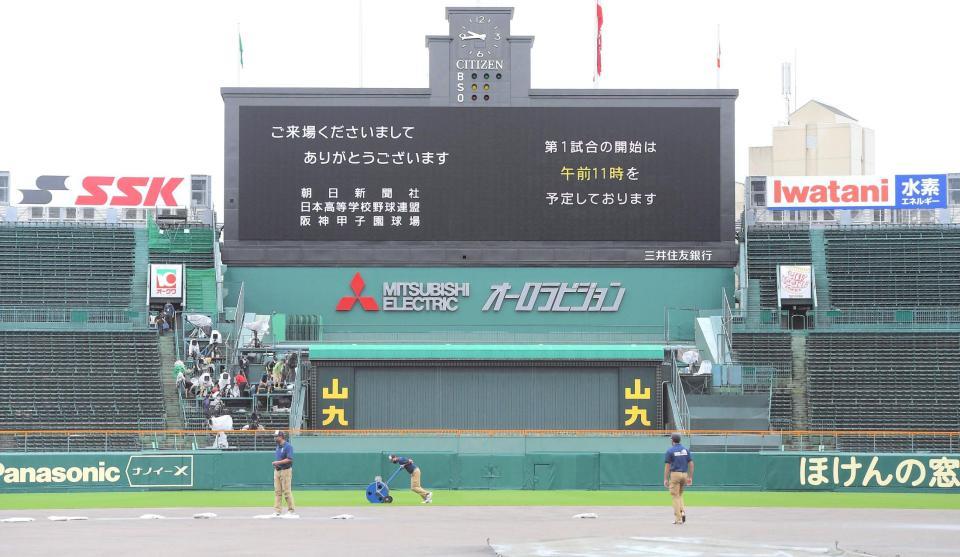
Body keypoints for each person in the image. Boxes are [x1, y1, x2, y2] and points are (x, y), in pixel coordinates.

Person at [663, 433, 694, 525]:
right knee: (680, 495)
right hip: (684, 474)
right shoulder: (686, 450)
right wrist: (690, 477)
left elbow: (667, 466)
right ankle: (682, 512)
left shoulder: (670, 451)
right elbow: (691, 464)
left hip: (675, 474)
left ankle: (678, 518)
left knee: (675, 496)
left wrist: (665, 479)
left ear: (672, 441)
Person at [271, 431, 296, 517]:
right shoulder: (278, 446)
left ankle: (291, 510)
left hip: (285, 470)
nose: (275, 438)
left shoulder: (288, 446)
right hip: (277, 470)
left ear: (281, 437)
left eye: (276, 436)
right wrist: (276, 465)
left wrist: (278, 462)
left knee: (286, 491)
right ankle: (277, 511)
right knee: (277, 492)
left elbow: (290, 459)